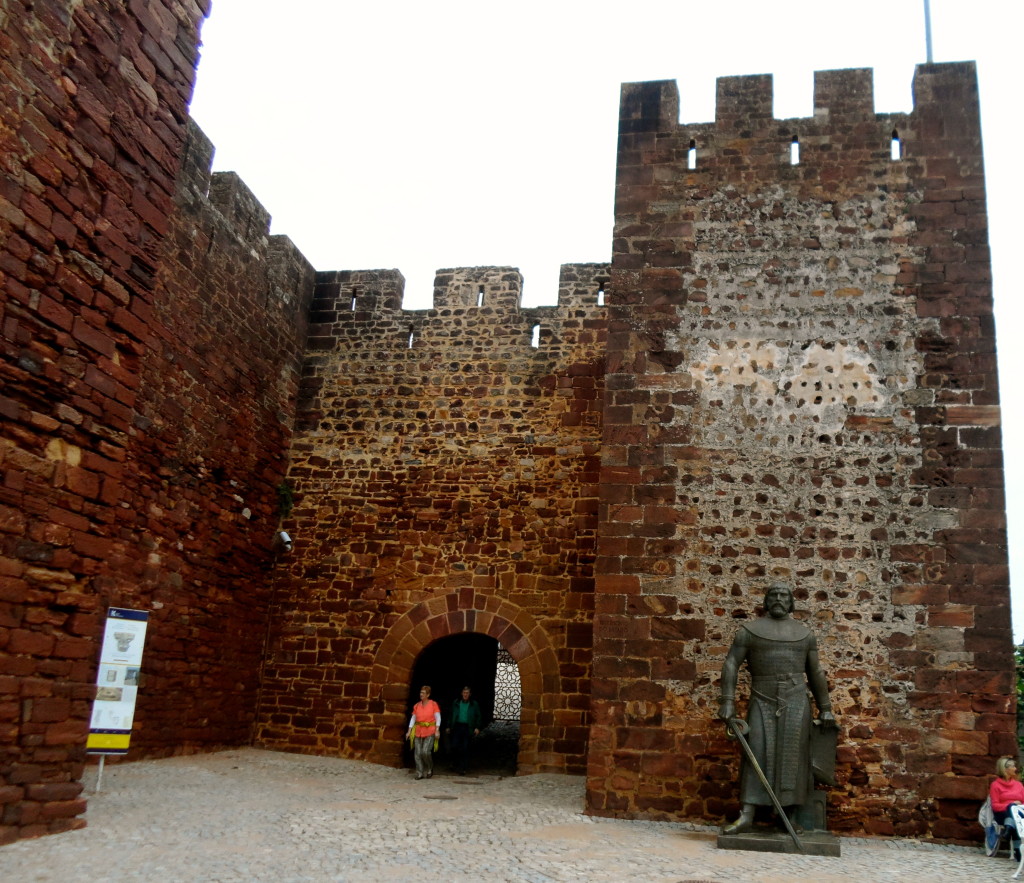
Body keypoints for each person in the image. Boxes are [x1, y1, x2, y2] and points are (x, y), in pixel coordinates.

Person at [718, 582, 837, 834]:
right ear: (766, 600)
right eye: (774, 595)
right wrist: (727, 701)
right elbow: (731, 663)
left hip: (796, 699)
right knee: (757, 752)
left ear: (791, 602)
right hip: (762, 697)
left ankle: (787, 816)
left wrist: (825, 707)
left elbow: (814, 671)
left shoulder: (805, 634)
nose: (779, 599)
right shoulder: (748, 631)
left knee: (794, 758)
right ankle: (747, 815)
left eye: (784, 595)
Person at [990, 755, 1024, 859]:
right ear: (1005, 769)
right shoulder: (995, 785)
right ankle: (1018, 850)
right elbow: (995, 806)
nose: (1015, 769)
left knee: (1014, 816)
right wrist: (1010, 805)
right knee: (1012, 809)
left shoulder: (1018, 785)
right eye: (1013, 766)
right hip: (1001, 814)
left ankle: (1009, 828)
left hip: (1018, 813)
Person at [406, 685, 441, 780]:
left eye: (423, 693)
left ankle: (429, 768)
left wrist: (437, 730)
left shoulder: (433, 704)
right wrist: (409, 731)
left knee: (425, 752)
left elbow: (438, 717)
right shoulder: (417, 705)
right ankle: (419, 772)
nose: (421, 694)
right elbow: (413, 718)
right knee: (417, 753)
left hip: (430, 731)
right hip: (418, 731)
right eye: (421, 692)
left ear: (428, 694)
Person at [447, 686, 482, 775]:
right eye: (464, 693)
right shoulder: (456, 703)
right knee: (454, 746)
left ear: (470, 694)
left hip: (468, 727)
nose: (465, 694)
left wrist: (477, 727)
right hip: (457, 726)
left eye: (467, 693)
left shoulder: (474, 704)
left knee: (465, 747)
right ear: (462, 693)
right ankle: (454, 763)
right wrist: (448, 726)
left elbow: (478, 716)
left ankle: (463, 768)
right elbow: (451, 714)